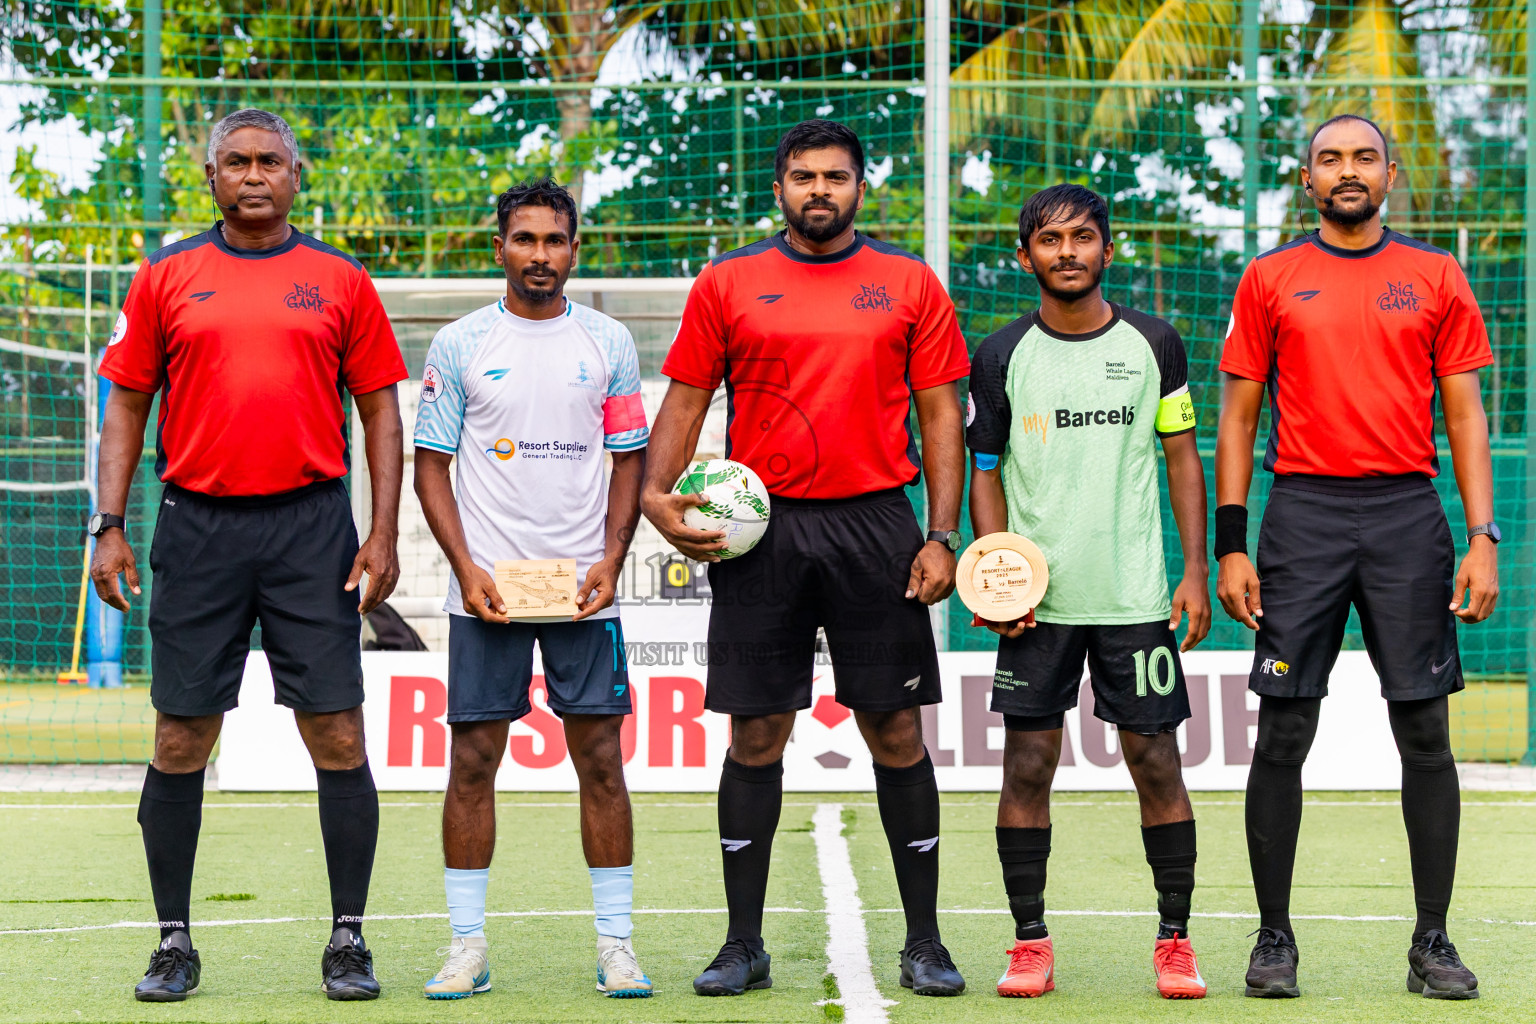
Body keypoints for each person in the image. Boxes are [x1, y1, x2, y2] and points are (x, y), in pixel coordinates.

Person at [642, 119, 970, 998]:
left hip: (876, 525)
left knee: (896, 731)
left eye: (834, 176)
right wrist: (653, 494)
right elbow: (684, 398)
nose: (817, 190)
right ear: (778, 187)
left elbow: (942, 414)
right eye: (801, 176)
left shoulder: (908, 284)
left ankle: (926, 942)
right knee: (756, 732)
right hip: (762, 532)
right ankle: (743, 944)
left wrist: (942, 533)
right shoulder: (729, 282)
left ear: (863, 187)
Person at [91, 108, 407, 1001]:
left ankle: (348, 938)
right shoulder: (165, 278)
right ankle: (173, 942)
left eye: (271, 161)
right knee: (181, 734)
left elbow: (381, 408)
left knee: (337, 732)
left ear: (297, 175)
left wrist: (381, 531)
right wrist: (107, 523)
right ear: (211, 175)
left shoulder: (340, 279)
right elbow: (125, 406)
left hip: (312, 528)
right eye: (237, 162)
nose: (255, 175)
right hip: (198, 528)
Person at [1216, 114, 1498, 1001]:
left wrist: (1483, 536)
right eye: (1331, 158)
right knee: (1285, 731)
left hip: (1408, 518)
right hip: (1302, 516)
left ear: (1388, 174)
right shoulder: (1270, 278)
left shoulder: (1435, 274)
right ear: (1307, 180)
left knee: (1424, 732)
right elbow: (1236, 417)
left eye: (1364, 158)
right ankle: (1273, 940)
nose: (1348, 171)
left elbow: (1463, 414)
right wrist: (1231, 543)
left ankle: (1432, 942)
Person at [966, 184, 1212, 1000]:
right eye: (1049, 240)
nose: (1066, 252)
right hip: (1038, 604)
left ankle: (1174, 942)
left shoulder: (1155, 342)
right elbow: (987, 472)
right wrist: (998, 574)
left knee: (1155, 761)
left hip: (1134, 596)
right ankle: (1029, 941)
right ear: (1025, 255)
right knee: (1028, 765)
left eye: (1081, 238)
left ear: (1110, 249)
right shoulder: (1000, 353)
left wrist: (1194, 569)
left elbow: (1181, 458)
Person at [412, 178, 653, 1000]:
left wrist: (612, 559)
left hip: (586, 590)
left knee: (600, 761)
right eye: (525, 239)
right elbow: (430, 468)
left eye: (554, 241)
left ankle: (616, 945)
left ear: (575, 250)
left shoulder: (610, 343)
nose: (540, 255)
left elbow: (630, 459)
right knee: (473, 760)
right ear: (500, 247)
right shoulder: (460, 343)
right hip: (490, 591)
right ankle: (466, 945)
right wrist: (465, 568)